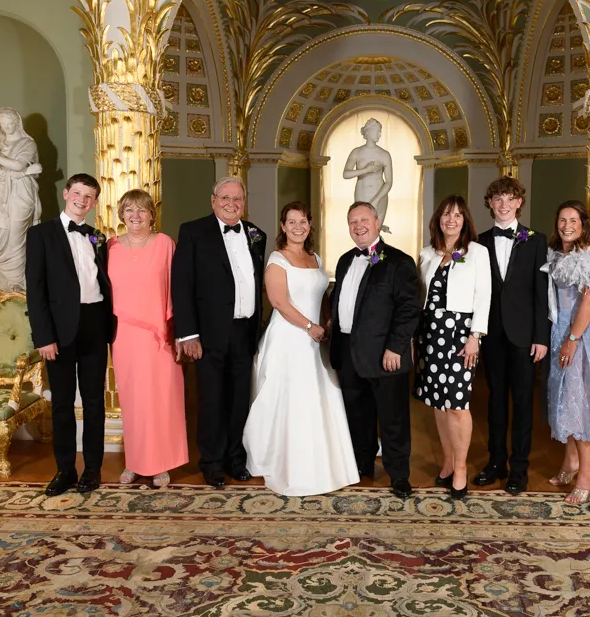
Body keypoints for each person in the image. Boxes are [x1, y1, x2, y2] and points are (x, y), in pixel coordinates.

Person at [243, 202, 360, 495]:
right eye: (292, 222)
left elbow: (322, 295)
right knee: (293, 397)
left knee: (320, 394)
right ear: (283, 226)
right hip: (290, 337)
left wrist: (326, 321)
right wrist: (309, 326)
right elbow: (279, 302)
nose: (298, 227)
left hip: (317, 338)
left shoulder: (315, 258)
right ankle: (289, 463)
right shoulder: (277, 260)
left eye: (303, 221)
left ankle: (325, 459)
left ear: (309, 224)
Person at [171, 177, 266, 489]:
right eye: (225, 197)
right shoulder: (193, 232)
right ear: (213, 200)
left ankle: (235, 459)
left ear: (244, 202)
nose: (231, 204)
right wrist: (188, 334)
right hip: (208, 333)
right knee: (211, 400)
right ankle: (211, 463)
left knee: (239, 400)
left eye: (237, 199)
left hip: (244, 330)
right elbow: (182, 285)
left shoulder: (256, 234)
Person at [25, 173, 113, 496]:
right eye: (77, 193)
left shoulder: (98, 237)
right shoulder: (40, 234)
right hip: (58, 331)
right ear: (66, 194)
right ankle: (65, 470)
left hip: (95, 324)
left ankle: (92, 470)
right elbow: (35, 290)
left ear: (94, 202)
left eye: (88, 197)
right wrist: (43, 337)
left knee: (94, 402)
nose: (82, 200)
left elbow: (106, 282)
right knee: (62, 403)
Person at [328, 201, 420, 499]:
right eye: (353, 221)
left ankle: (399, 474)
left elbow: (409, 309)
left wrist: (395, 347)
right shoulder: (345, 260)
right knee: (358, 414)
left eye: (364, 220)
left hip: (385, 355)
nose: (359, 226)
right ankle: (361, 464)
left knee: (393, 418)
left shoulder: (399, 261)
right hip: (348, 351)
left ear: (377, 222)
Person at [473, 176, 549, 495]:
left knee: (522, 402)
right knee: (494, 401)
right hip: (492, 333)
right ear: (490, 203)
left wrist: (541, 337)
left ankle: (519, 468)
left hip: (524, 335)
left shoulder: (537, 240)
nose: (503, 204)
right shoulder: (477, 242)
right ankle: (496, 462)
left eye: (509, 198)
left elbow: (542, 293)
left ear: (519, 203)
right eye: (498, 199)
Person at [107, 189, 188, 488]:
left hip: (159, 336)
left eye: (142, 210)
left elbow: (178, 289)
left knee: (161, 400)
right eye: (129, 210)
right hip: (124, 336)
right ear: (121, 215)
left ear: (152, 215)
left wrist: (178, 332)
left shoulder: (165, 244)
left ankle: (161, 464)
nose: (136, 215)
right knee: (133, 402)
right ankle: (135, 462)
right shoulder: (110, 247)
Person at [414, 195, 490, 500]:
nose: (451, 220)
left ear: (465, 220)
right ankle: (447, 461)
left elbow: (484, 296)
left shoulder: (477, 252)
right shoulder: (427, 254)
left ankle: (460, 468)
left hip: (460, 337)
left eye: (458, 215)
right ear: (438, 219)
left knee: (458, 405)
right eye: (446, 214)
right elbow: (419, 298)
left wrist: (475, 337)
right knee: (438, 403)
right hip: (430, 336)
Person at [543, 200, 590, 505]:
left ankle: (588, 474)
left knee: (580, 402)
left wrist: (572, 338)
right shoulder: (557, 253)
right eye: (562, 220)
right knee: (565, 399)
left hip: (581, 334)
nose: (567, 225)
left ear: (584, 225)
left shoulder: (589, 255)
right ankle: (571, 461)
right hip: (560, 330)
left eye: (574, 220)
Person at [0, 107, 41, 291]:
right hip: (0, 197)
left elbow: (18, 165)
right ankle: (0, 277)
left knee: (15, 239)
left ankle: (17, 281)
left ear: (17, 122)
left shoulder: (27, 144)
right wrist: (23, 171)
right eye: (2, 124)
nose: (6, 127)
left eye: (10, 122)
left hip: (20, 196)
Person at [342, 118, 393, 233]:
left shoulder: (384, 154)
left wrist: (375, 200)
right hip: (361, 194)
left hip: (379, 195)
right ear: (368, 132)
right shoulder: (357, 152)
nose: (379, 134)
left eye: (380, 131)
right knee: (361, 229)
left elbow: (389, 182)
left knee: (374, 231)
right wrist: (366, 170)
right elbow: (346, 174)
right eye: (377, 131)